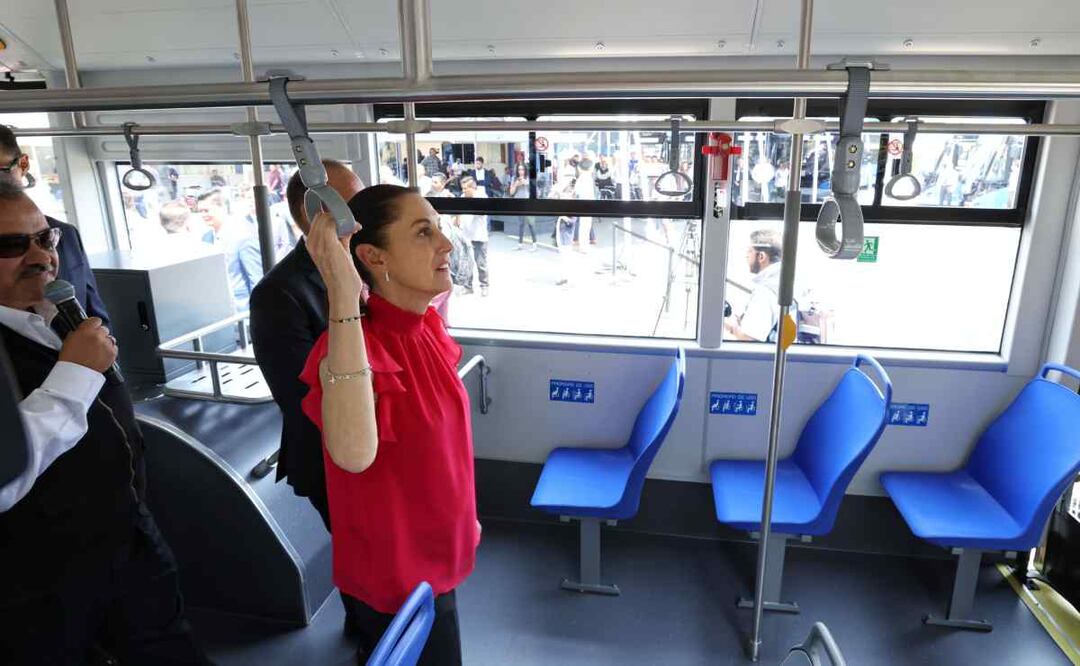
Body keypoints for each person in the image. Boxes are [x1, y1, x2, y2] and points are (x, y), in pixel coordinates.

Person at [0, 182, 211, 665]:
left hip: (126, 537)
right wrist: (74, 373)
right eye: (11, 246)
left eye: (45, 239)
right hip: (39, 581)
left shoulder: (59, 317)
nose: (40, 257)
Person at [300, 184, 479, 665]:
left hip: (437, 559)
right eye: (424, 232)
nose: (445, 243)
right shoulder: (352, 352)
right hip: (397, 576)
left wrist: (465, 523)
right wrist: (341, 289)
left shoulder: (426, 329)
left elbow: (445, 455)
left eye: (439, 228)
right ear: (374, 257)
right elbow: (354, 454)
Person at [249, 160, 364, 532]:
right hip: (330, 454)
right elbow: (301, 394)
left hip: (376, 440)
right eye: (354, 205)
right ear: (315, 212)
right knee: (365, 558)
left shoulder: (365, 262)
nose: (362, 219)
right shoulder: (279, 293)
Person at [0, 126, 111, 327]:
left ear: (23, 164)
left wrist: (100, 347)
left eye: (1, 173)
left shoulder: (65, 234)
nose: (42, 256)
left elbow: (94, 313)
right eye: (10, 245)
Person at [195, 189, 262, 311]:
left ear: (222, 208)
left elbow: (256, 278)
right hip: (218, 307)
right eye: (200, 211)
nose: (203, 215)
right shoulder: (206, 238)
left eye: (206, 210)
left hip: (242, 309)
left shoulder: (243, 237)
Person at [725, 229, 783, 342]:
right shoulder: (782, 283)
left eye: (749, 251)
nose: (746, 256)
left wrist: (729, 324)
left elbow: (749, 339)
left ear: (761, 256)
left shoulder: (765, 291)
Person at [455, 177, 490, 296]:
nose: (463, 191)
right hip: (466, 235)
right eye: (462, 188)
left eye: (466, 189)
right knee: (467, 263)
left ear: (472, 188)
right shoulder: (462, 197)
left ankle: (484, 286)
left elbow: (482, 212)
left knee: (481, 263)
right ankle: (468, 286)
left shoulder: (481, 196)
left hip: (479, 236)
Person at [508, 164, 536, 250]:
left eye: (522, 170)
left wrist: (526, 183)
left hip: (528, 203)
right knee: (521, 224)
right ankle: (520, 244)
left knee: (531, 223)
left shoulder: (528, 178)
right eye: (519, 170)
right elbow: (511, 193)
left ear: (525, 170)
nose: (521, 171)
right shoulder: (514, 179)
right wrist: (516, 184)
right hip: (519, 203)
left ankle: (534, 244)